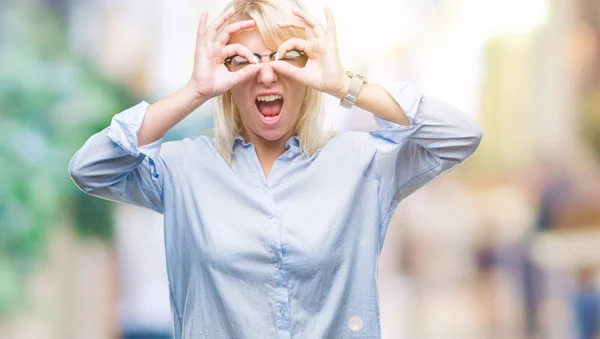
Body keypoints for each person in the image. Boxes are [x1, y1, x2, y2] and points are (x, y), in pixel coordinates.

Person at [68, 0, 482, 337]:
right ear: (227, 78)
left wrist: (343, 84)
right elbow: (90, 168)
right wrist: (195, 91)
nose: (266, 73)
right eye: (243, 61)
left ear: (308, 75)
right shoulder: (185, 169)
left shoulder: (365, 164)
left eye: (288, 59)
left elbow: (460, 135)